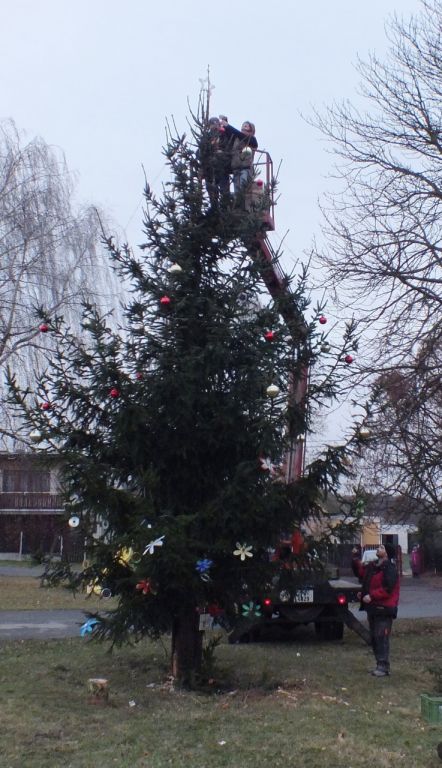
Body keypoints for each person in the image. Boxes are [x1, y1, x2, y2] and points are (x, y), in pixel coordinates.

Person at [352, 543, 400, 677]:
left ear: (387, 553)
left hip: (384, 608)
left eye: (382, 548)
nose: (378, 549)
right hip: (373, 608)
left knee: (381, 636)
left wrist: (371, 596)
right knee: (374, 637)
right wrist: (355, 558)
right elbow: (361, 574)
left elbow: (387, 588)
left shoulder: (390, 569)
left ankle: (383, 666)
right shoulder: (373, 566)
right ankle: (379, 664)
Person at [198, 117, 231, 208]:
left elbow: (229, 148)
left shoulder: (224, 135)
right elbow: (200, 151)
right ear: (209, 126)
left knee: (224, 190)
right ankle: (214, 208)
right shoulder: (206, 137)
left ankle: (226, 208)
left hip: (222, 167)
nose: (215, 125)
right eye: (212, 124)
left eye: (216, 123)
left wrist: (222, 153)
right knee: (212, 191)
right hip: (210, 168)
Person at [220, 118, 258, 198]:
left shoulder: (252, 139)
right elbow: (229, 134)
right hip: (236, 169)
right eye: (243, 125)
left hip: (246, 168)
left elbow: (240, 135)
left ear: (251, 129)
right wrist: (225, 124)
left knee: (243, 191)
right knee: (237, 192)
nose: (244, 127)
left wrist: (228, 125)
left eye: (246, 126)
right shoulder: (237, 139)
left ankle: (243, 205)